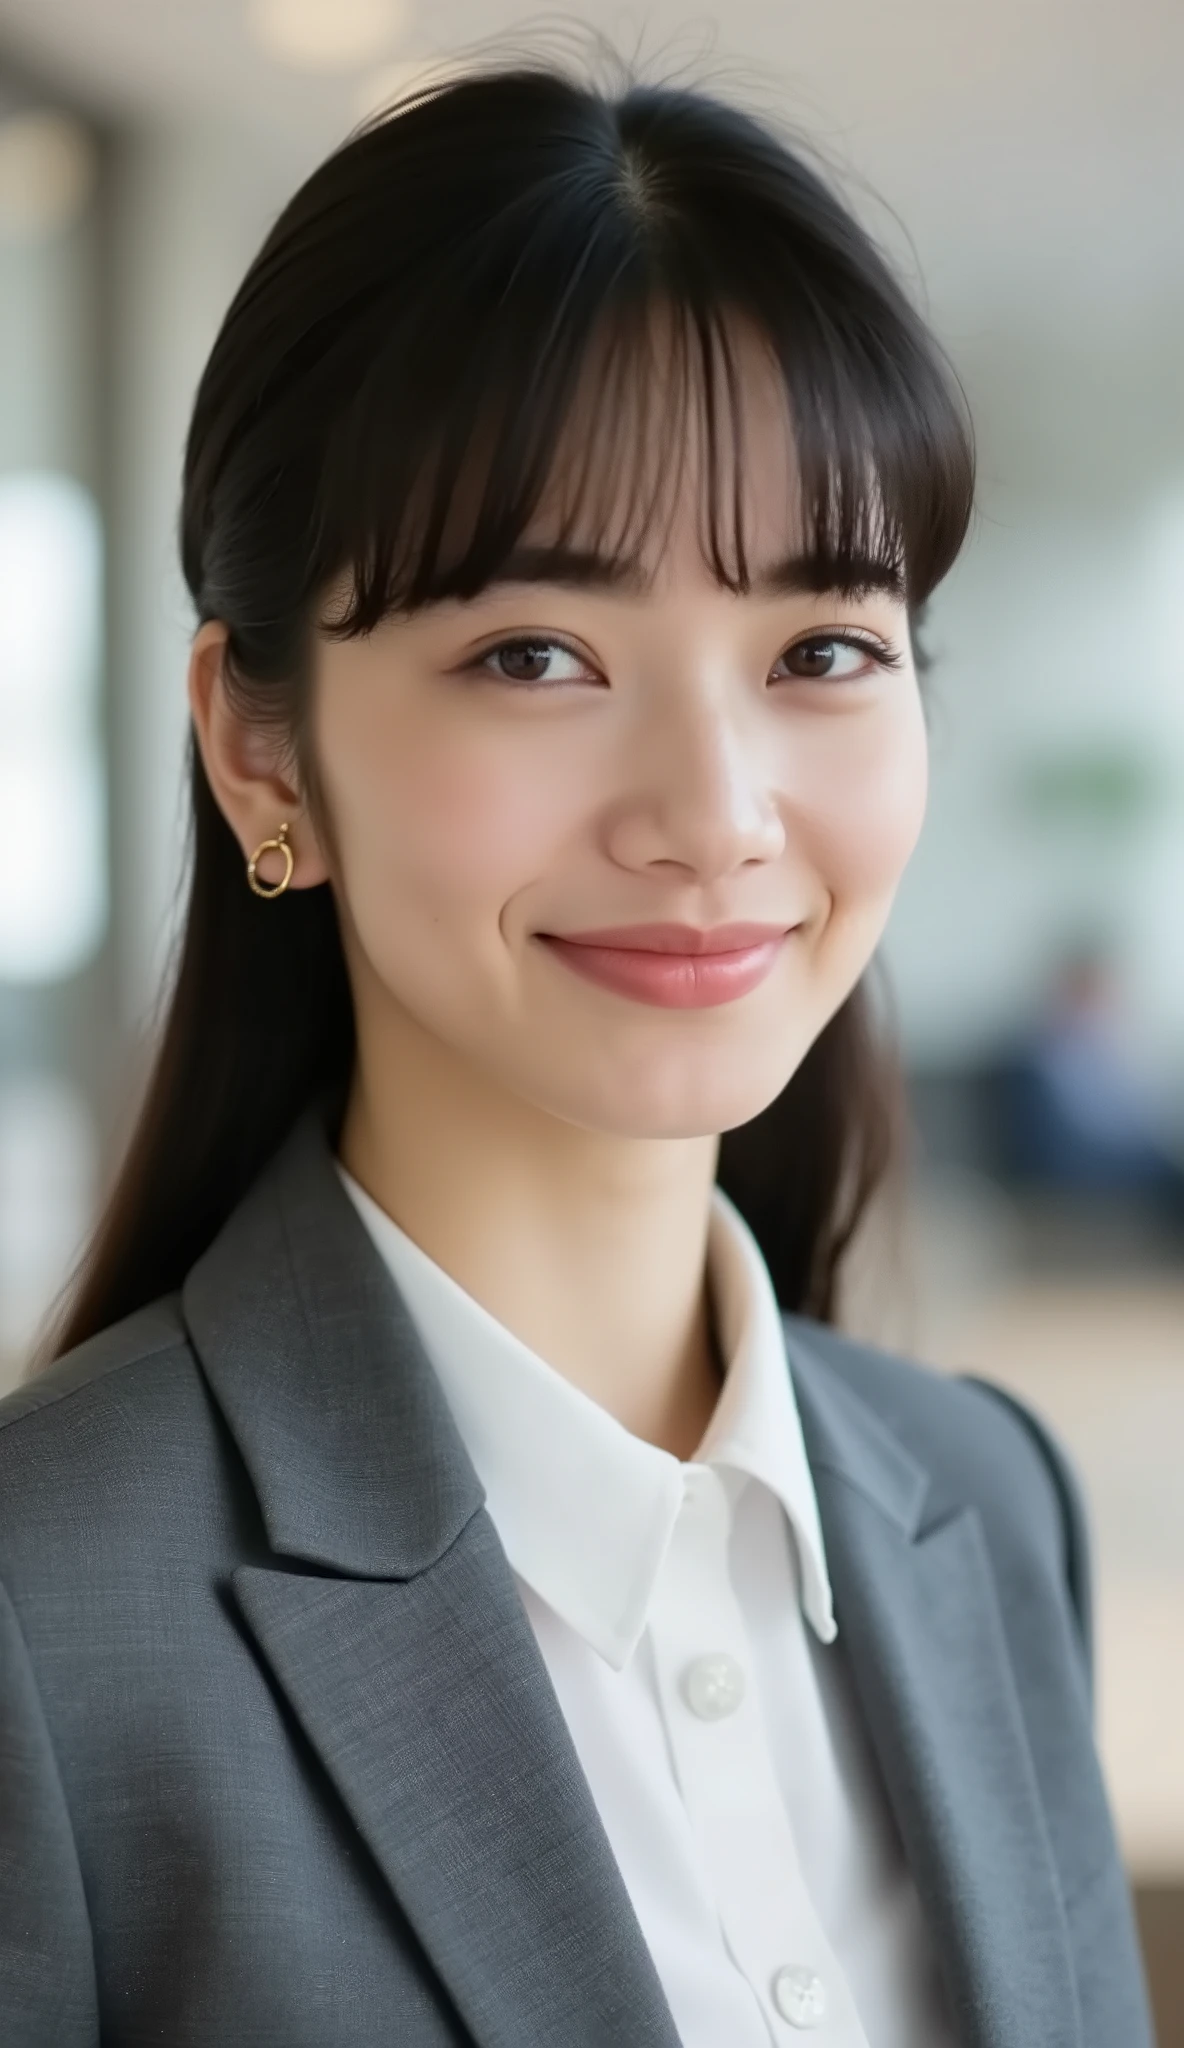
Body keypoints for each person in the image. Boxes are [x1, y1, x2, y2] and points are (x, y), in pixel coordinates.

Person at [0, 60, 1152, 2048]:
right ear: (259, 743)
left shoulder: (985, 1504)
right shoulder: (44, 1621)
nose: (713, 812)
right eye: (535, 653)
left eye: (821, 651)